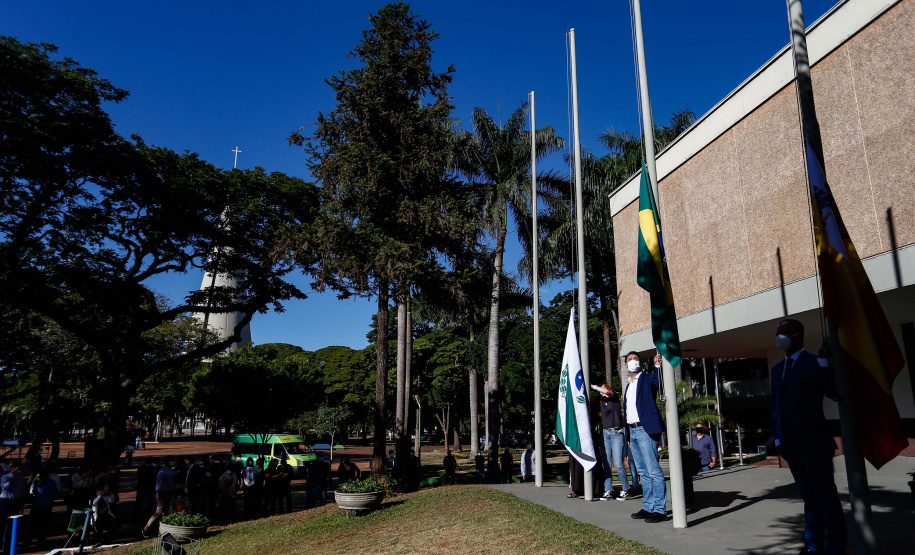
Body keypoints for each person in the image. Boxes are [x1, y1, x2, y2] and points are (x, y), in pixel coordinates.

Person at [771, 319, 846, 555]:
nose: (780, 337)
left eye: (784, 332)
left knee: (827, 498)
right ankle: (813, 546)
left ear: (798, 335)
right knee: (809, 498)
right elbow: (776, 408)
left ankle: (835, 548)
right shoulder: (776, 370)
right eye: (778, 333)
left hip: (814, 443)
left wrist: (825, 364)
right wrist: (779, 439)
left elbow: (833, 392)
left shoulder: (814, 362)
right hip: (791, 446)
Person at [624, 351, 667, 523]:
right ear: (626, 365)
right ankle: (648, 506)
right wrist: (628, 436)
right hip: (632, 431)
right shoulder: (628, 385)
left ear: (640, 362)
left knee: (653, 471)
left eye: (636, 359)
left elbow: (660, 383)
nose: (633, 361)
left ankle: (659, 509)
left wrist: (657, 366)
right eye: (630, 359)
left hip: (645, 430)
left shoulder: (647, 378)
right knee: (643, 472)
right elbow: (628, 411)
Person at [592, 381, 631, 501]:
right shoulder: (601, 403)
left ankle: (625, 489)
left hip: (616, 433)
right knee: (607, 464)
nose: (601, 391)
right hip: (605, 434)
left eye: (603, 388)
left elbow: (608, 392)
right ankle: (608, 489)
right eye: (600, 389)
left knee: (618, 464)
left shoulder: (614, 399)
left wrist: (593, 386)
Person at [142, 455, 176, 538]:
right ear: (168, 462)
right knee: (159, 512)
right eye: (172, 461)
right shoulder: (162, 471)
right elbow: (160, 484)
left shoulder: (169, 470)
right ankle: (146, 528)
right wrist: (170, 478)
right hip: (162, 493)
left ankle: (162, 530)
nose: (173, 462)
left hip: (168, 492)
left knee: (164, 513)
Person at [27, 470, 57, 549]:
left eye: (40, 477)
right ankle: (29, 539)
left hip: (45, 506)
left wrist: (37, 485)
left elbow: (41, 491)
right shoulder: (37, 481)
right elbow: (31, 491)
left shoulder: (50, 483)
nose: (39, 479)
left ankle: (40, 540)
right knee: (31, 524)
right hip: (36, 505)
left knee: (42, 524)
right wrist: (35, 483)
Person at [0, 461, 25, 552]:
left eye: (20, 469)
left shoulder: (21, 477)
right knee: (2, 524)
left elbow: (22, 489)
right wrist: (13, 478)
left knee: (11, 525)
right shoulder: (5, 477)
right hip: (5, 502)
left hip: (15, 502)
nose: (19, 471)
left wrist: (22, 503)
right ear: (12, 469)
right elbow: (5, 487)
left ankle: (7, 547)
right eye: (17, 469)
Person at [91, 481, 118, 546]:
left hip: (106, 514)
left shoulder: (105, 497)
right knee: (98, 528)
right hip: (97, 516)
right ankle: (97, 540)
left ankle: (111, 535)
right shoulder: (94, 498)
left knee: (112, 522)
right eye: (99, 490)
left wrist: (110, 493)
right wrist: (100, 495)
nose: (101, 491)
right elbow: (94, 503)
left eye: (101, 490)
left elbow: (111, 500)